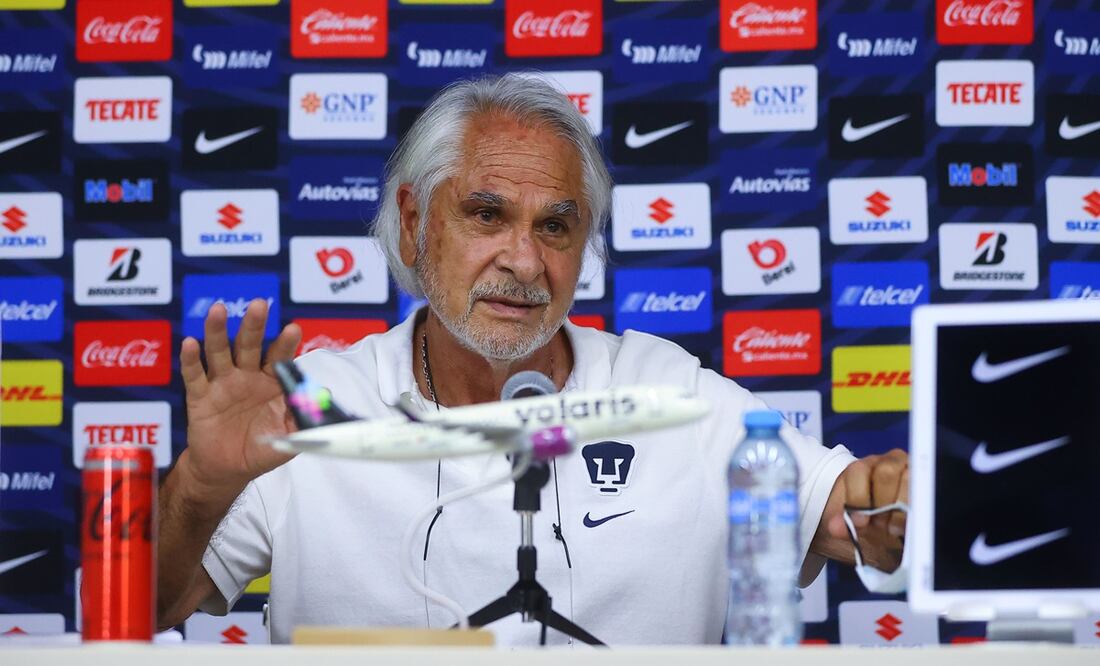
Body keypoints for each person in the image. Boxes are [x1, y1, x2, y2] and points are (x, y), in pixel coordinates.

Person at [156, 74, 909, 645]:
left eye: (556, 226)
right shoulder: (310, 405)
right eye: (486, 214)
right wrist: (199, 485)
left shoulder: (669, 390)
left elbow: (854, 515)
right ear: (416, 223)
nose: (523, 260)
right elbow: (143, 611)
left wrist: (887, 503)